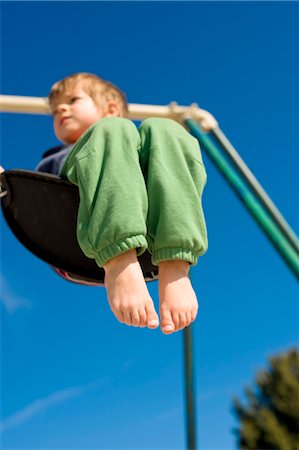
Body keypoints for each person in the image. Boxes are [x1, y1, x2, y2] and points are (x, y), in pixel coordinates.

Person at [37, 72, 208, 335]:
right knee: (110, 131)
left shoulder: (137, 140)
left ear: (112, 108)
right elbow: (34, 201)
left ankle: (176, 264)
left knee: (166, 129)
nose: (60, 108)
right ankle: (120, 261)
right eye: (56, 108)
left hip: (151, 234)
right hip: (81, 239)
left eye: (72, 100)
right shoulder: (54, 160)